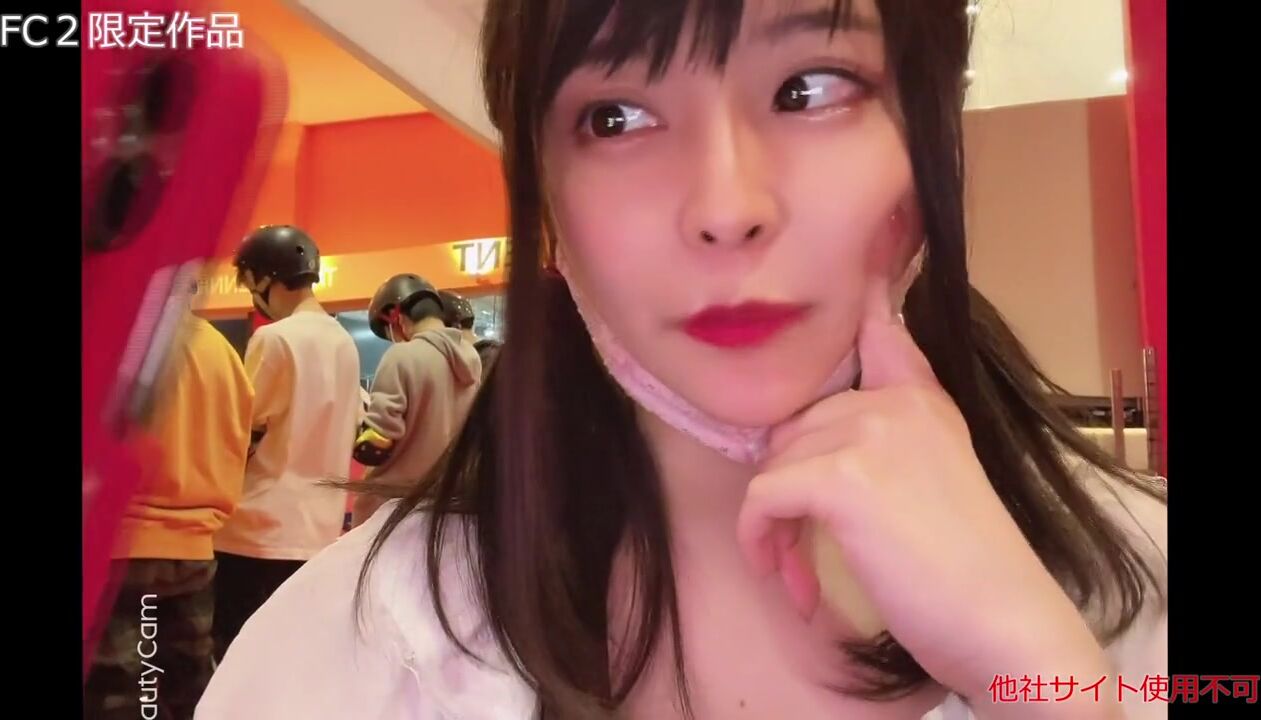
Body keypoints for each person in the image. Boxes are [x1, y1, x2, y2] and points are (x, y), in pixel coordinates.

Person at [198, 2, 1167, 719]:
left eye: (809, 88)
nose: (724, 205)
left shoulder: (1145, 592)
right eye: (614, 117)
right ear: (545, 199)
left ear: (932, 130)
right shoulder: (356, 646)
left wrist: (1045, 684)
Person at [84, 304, 253, 720]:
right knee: (188, 690)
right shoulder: (217, 347)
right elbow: (240, 438)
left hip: (119, 547)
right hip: (195, 546)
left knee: (118, 697)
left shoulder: (115, 338)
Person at [210, 225, 361, 661]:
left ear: (265, 279)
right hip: (319, 532)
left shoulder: (274, 338)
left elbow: (242, 430)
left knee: (238, 660)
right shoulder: (343, 342)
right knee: (292, 660)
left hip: (257, 533)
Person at [349, 274, 482, 529]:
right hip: (446, 504)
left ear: (397, 317)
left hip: (393, 507)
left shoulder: (402, 356)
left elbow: (376, 444)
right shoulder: (471, 360)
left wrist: (356, 427)